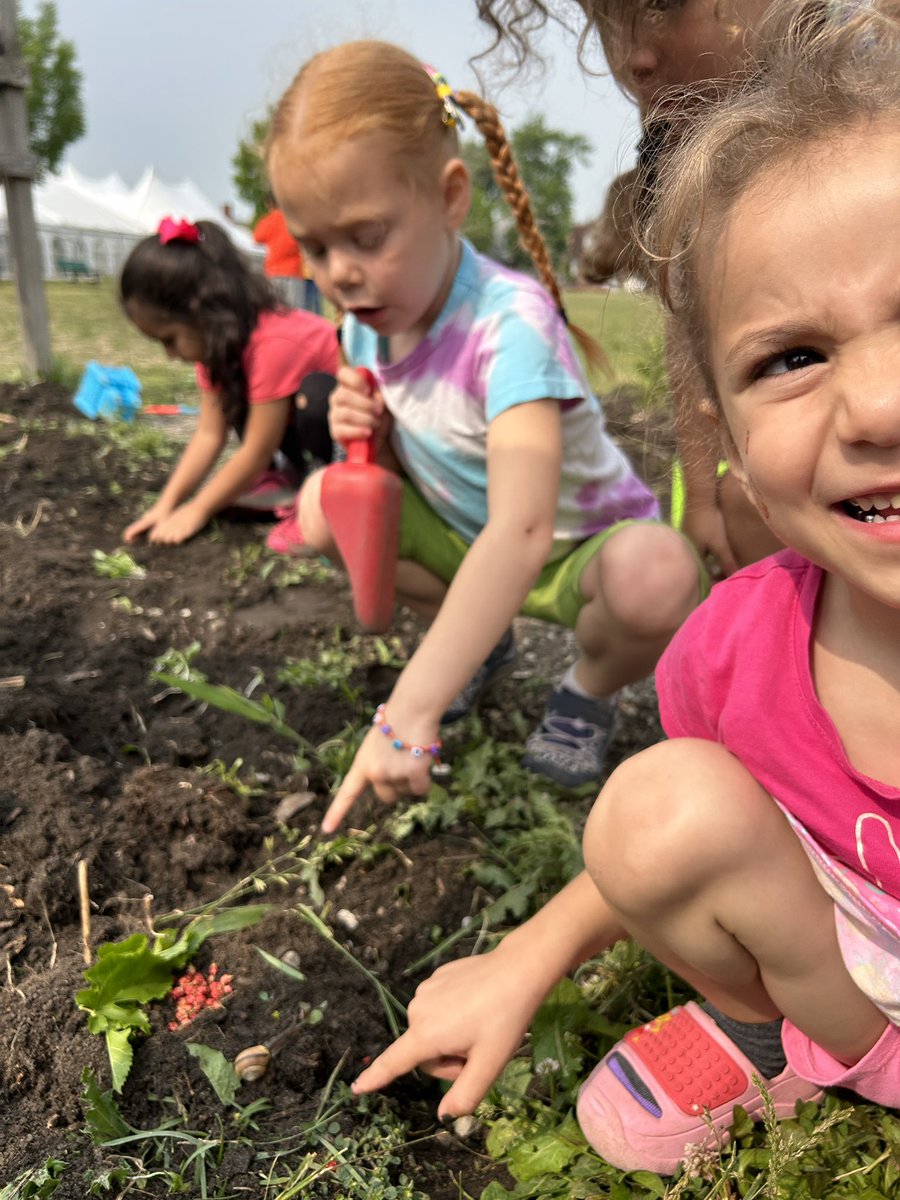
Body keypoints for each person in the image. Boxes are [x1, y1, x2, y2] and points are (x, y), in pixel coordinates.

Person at [348, 0, 900, 1174]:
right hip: (866, 963)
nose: (880, 406)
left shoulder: (504, 326)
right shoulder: (738, 652)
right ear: (724, 432)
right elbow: (688, 845)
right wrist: (525, 959)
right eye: (791, 359)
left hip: (563, 556)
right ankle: (813, 1050)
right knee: (657, 810)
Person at [265, 41, 703, 806]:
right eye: (315, 246)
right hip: (472, 544)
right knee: (322, 504)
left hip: (574, 554)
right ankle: (480, 641)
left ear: (450, 196)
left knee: (659, 575)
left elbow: (526, 530)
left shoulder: (511, 328)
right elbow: (387, 492)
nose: (339, 272)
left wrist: (409, 709)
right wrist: (371, 438)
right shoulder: (364, 323)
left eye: (366, 237)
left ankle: (586, 691)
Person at [477, 0, 783, 577]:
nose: (631, 56)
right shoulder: (682, 149)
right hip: (734, 464)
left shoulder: (874, 106)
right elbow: (687, 319)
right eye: (606, 24)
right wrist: (698, 496)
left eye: (665, 5)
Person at [120, 217, 339, 553]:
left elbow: (256, 449)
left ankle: (323, 502)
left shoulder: (273, 343)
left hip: (350, 435)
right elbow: (209, 435)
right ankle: (287, 480)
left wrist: (198, 509)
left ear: (204, 313)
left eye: (170, 340)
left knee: (316, 396)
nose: (169, 355)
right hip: (300, 432)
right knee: (235, 393)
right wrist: (167, 504)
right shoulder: (216, 347)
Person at [253, 204, 305, 309]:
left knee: (274, 310)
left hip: (272, 272)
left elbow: (256, 238)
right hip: (292, 271)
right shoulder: (294, 220)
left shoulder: (268, 221)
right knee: (294, 312)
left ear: (269, 205)